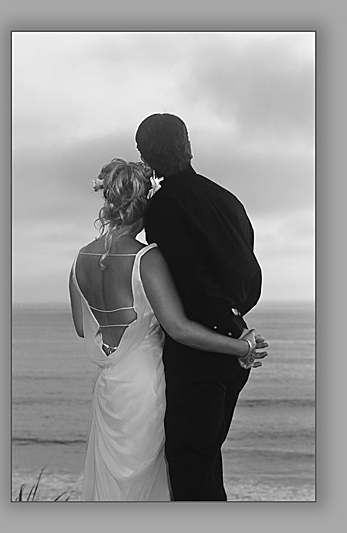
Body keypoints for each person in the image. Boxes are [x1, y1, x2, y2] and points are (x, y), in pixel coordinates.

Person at [69, 158, 268, 501]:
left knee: (115, 484)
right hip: (147, 388)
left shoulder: (79, 260)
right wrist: (241, 347)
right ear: (144, 201)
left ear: (108, 201)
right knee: (151, 483)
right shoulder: (147, 259)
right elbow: (179, 328)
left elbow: (81, 328)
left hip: (110, 389)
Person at [135, 113, 264, 501]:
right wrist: (237, 327)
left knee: (191, 470)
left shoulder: (163, 208)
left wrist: (226, 334)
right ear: (188, 145)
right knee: (204, 465)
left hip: (200, 352)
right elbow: (248, 277)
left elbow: (189, 281)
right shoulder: (225, 197)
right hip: (230, 350)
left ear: (145, 158)